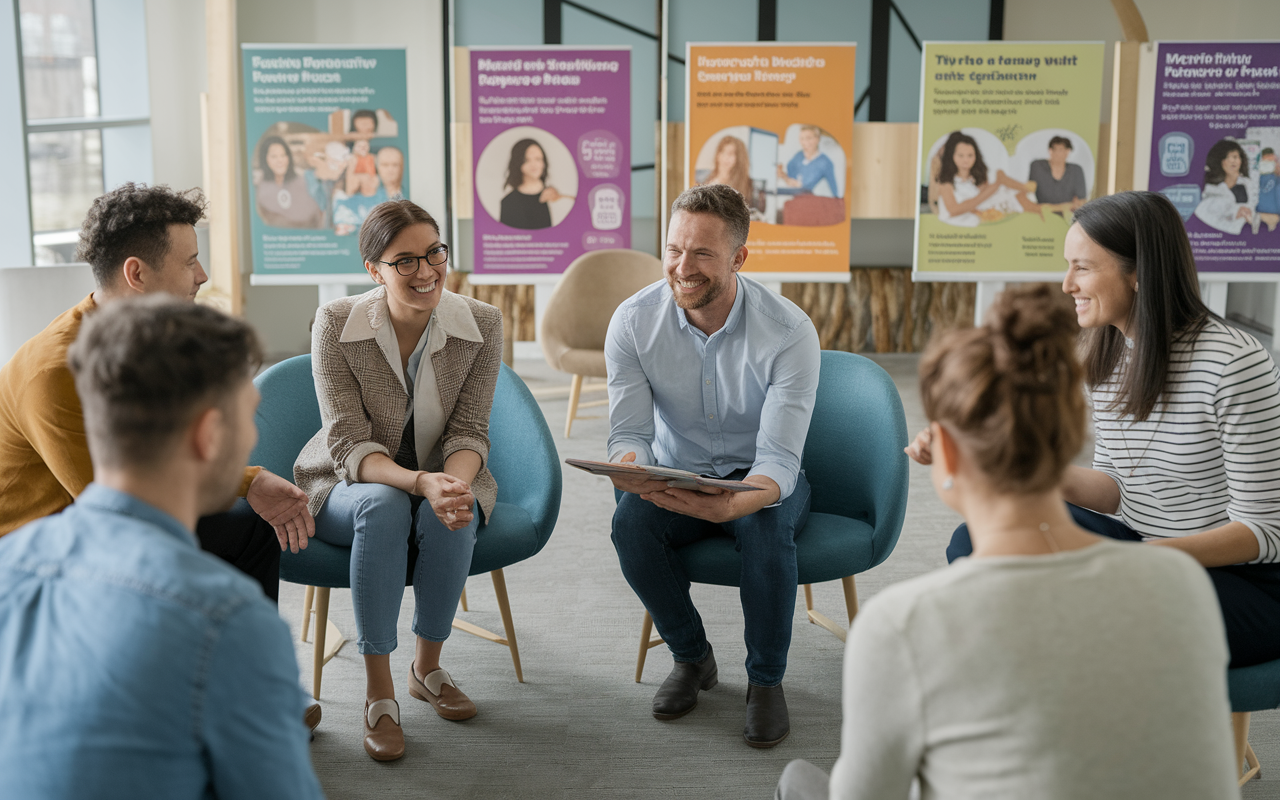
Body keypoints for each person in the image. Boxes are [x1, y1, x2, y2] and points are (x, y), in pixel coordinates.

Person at [777, 285, 1239, 800]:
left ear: (945, 454)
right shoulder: (1183, 588)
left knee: (800, 780)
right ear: (1068, 439)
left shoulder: (901, 625)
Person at [0, 297, 325, 800]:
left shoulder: (10, 567)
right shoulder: (228, 618)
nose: (253, 438)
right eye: (248, 417)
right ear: (209, 436)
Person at [939, 190, 1280, 669]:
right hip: (1140, 551)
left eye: (1082, 267)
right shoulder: (1110, 353)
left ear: (1138, 272)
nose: (1066, 284)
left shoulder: (1234, 363)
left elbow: (1264, 531)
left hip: (1242, 581)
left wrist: (1120, 563)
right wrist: (1010, 462)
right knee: (978, 539)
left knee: (1084, 603)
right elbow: (1118, 490)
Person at [605, 183, 820, 748]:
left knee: (768, 529)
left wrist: (738, 500)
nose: (683, 266)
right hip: (680, 473)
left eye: (702, 253)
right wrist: (632, 469)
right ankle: (692, 656)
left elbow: (778, 458)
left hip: (760, 476)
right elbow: (630, 434)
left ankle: (765, 682)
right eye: (675, 249)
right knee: (629, 524)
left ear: (738, 258)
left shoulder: (790, 331)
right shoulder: (632, 322)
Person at [294, 199, 502, 762]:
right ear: (373, 270)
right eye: (403, 261)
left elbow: (471, 432)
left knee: (454, 506)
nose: (426, 271)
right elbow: (347, 442)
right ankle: (378, 690)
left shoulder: (481, 323)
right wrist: (420, 483)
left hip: (442, 469)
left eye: (434, 252)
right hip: (351, 480)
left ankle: (426, 669)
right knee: (384, 505)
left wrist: (449, 485)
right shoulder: (336, 323)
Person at [932, 131, 1035, 226]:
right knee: (1004, 185)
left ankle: (1025, 190)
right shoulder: (946, 181)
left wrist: (994, 188)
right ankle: (1025, 189)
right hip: (963, 222)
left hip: (983, 212)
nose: (966, 160)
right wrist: (992, 188)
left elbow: (985, 194)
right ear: (952, 156)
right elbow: (953, 210)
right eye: (961, 155)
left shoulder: (974, 177)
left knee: (1010, 190)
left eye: (970, 155)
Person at [499, 138, 573, 229]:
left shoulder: (556, 197)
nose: (534, 165)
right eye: (527, 160)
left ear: (543, 162)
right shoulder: (509, 203)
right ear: (518, 163)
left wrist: (560, 199)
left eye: (538, 159)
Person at [256, 135, 326, 229]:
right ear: (265, 159)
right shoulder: (259, 185)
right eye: (274, 156)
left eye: (283, 155)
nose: (280, 160)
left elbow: (316, 216)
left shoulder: (303, 181)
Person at [1195, 138, 1257, 234]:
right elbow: (1205, 214)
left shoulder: (1248, 184)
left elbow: (1253, 208)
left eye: (1236, 157)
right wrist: (1235, 212)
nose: (1233, 161)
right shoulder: (1212, 188)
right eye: (1227, 157)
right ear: (1219, 161)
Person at [1026, 135, 1088, 210]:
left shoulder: (1076, 170)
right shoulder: (1037, 167)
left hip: (1067, 216)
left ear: (1067, 151)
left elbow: (1081, 200)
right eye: (1055, 150)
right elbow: (1028, 191)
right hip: (1041, 214)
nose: (1057, 154)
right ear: (1050, 151)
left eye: (1060, 150)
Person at [777, 125, 839, 196]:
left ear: (818, 139)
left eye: (809, 138)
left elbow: (834, 191)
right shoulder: (798, 156)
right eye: (802, 138)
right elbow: (791, 179)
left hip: (814, 201)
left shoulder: (825, 162)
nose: (805, 142)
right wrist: (782, 175)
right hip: (794, 199)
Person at [703, 135, 753, 200]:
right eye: (722, 151)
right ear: (717, 155)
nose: (725, 157)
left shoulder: (746, 186)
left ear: (738, 158)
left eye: (730, 153)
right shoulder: (706, 180)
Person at [1253, 147, 1279, 234]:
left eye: (1271, 156)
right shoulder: (1258, 172)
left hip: (1275, 212)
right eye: (1267, 157)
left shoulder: (1276, 174)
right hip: (1263, 212)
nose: (1269, 159)